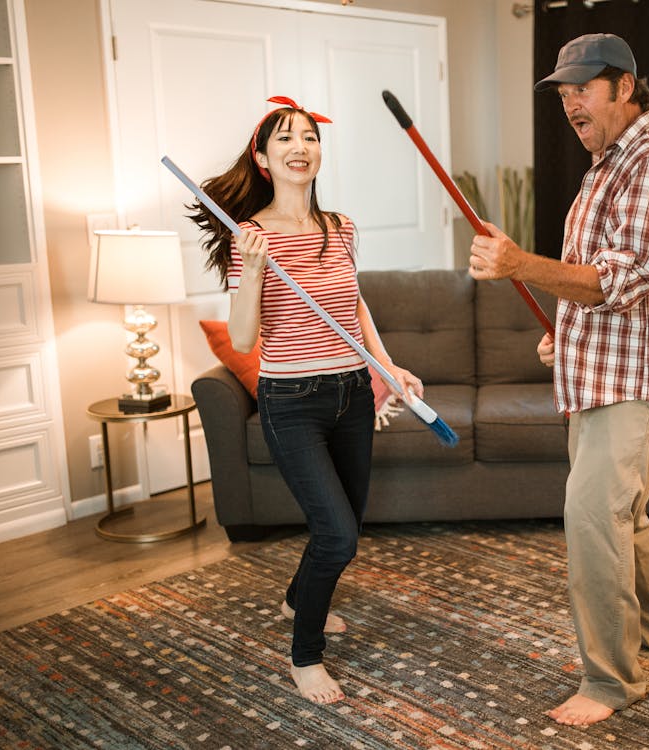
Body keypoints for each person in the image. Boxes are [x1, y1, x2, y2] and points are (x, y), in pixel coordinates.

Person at [467, 34, 649, 726]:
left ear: (625, 87)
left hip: (632, 380)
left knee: (592, 522)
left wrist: (519, 263)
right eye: (563, 90)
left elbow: (622, 278)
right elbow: (599, 285)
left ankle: (609, 682)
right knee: (620, 516)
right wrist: (564, 331)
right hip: (604, 369)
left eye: (584, 86)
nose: (570, 100)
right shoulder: (607, 164)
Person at [188, 96, 423, 706]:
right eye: (286, 139)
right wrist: (254, 271)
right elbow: (244, 339)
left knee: (345, 524)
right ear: (264, 159)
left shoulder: (339, 226)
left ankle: (299, 594)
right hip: (292, 400)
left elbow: (355, 305)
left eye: (310, 137)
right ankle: (305, 653)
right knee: (337, 535)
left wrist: (386, 364)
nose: (301, 147)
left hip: (350, 393)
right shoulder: (252, 237)